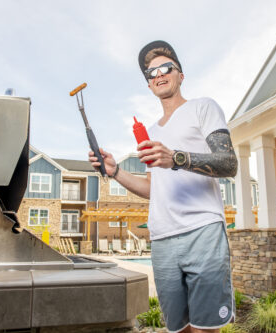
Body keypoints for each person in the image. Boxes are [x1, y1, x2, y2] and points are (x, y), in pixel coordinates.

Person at [89, 40, 238, 333]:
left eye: (166, 66)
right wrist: (115, 171)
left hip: (202, 232)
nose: (158, 73)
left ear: (180, 74)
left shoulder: (202, 108)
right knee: (177, 328)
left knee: (204, 328)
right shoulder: (153, 132)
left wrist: (177, 157)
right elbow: (152, 188)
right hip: (162, 238)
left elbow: (228, 163)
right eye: (150, 71)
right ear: (149, 84)